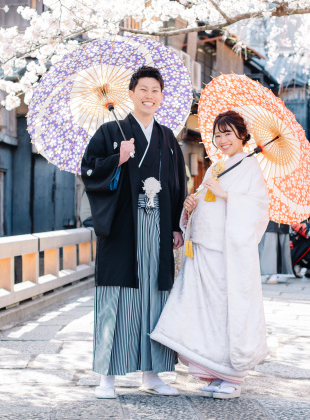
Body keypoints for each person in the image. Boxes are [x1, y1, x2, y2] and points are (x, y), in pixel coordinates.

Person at [80, 66, 187, 399]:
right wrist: (117, 158)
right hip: (123, 228)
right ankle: (107, 378)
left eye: (155, 90)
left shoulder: (168, 138)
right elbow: (88, 169)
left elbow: (177, 183)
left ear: (161, 97)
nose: (149, 96)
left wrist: (175, 225)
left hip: (158, 226)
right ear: (131, 94)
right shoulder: (110, 131)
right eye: (143, 89)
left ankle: (151, 375)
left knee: (154, 297)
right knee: (117, 297)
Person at [151, 110, 270, 399]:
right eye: (218, 135)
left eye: (228, 133)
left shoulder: (251, 166)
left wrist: (227, 195)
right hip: (204, 249)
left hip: (228, 254)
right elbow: (207, 202)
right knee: (208, 313)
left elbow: (258, 209)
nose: (222, 140)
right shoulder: (217, 167)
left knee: (228, 310)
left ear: (242, 135)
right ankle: (216, 372)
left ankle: (233, 377)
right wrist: (191, 207)